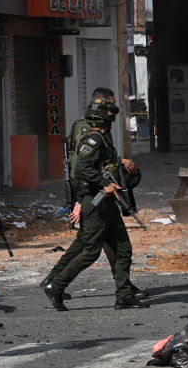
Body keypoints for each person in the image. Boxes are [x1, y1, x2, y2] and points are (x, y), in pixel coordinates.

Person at [42, 95, 148, 311]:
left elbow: (105, 164)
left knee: (122, 248)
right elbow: (82, 167)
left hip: (107, 203)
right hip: (95, 203)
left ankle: (124, 296)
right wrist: (102, 184)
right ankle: (57, 286)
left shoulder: (103, 138)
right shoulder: (93, 139)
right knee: (90, 251)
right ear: (105, 120)